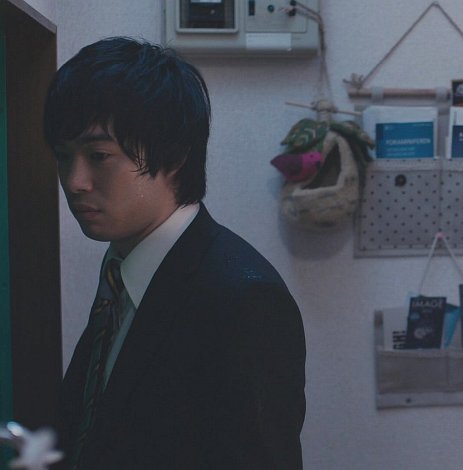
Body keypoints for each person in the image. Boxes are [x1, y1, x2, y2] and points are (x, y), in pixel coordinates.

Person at [44, 37, 306, 469]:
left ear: (175, 155)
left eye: (99, 156)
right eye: (63, 156)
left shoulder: (243, 299)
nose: (75, 181)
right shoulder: (122, 266)